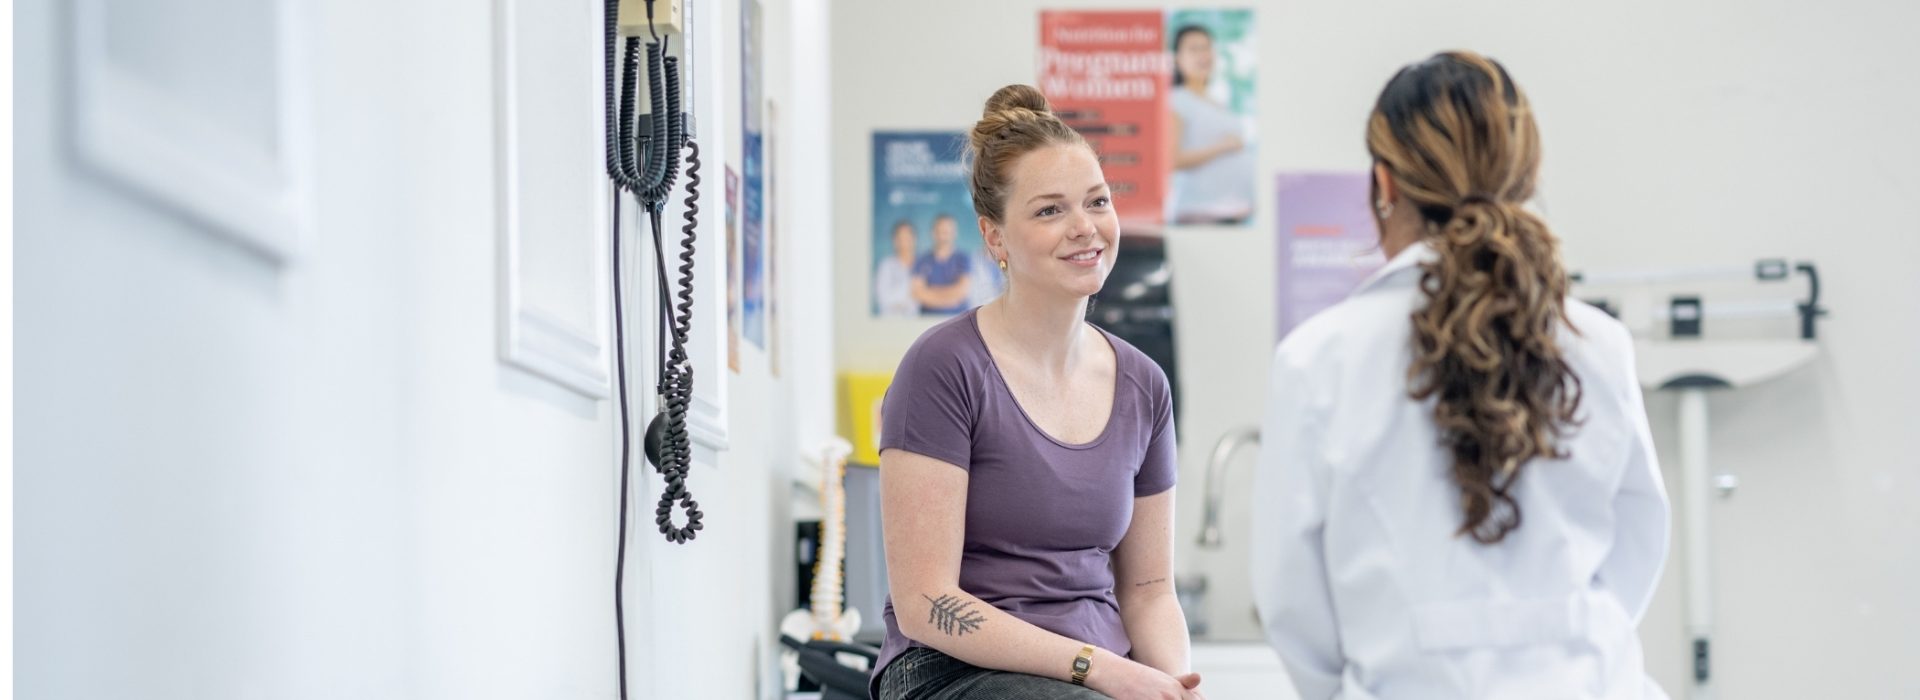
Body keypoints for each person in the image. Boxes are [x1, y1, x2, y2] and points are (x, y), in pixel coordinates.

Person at [1250, 52, 1670, 699]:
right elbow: (1638, 542)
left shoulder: (1318, 359)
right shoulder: (1598, 343)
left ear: (1384, 186)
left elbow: (1292, 600)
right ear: (1527, 177)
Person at [872, 84, 1202, 700]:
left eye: (1097, 202)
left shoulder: (1144, 387)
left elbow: (1150, 591)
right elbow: (924, 601)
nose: (1085, 228)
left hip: (1097, 678)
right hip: (952, 670)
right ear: (995, 238)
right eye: (1050, 210)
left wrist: (1171, 685)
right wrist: (1099, 668)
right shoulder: (942, 368)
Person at [1167, 24, 1254, 225]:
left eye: (1206, 48)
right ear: (1177, 58)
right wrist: (1222, 147)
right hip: (1201, 213)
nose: (1203, 55)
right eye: (1194, 49)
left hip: (1232, 213)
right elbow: (1172, 159)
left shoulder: (1217, 102)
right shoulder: (1177, 99)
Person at [910, 213, 973, 314]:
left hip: (958, 319)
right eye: (939, 232)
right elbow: (917, 293)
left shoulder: (963, 259)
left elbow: (962, 291)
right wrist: (951, 297)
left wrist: (930, 291)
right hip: (926, 321)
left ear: (954, 233)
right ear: (933, 233)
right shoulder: (922, 260)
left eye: (947, 232)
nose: (943, 236)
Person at [876, 220, 922, 317]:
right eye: (900, 238)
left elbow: (926, 300)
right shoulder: (886, 265)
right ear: (895, 241)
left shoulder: (924, 265)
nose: (904, 242)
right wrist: (912, 287)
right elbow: (884, 299)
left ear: (914, 239)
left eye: (908, 238)